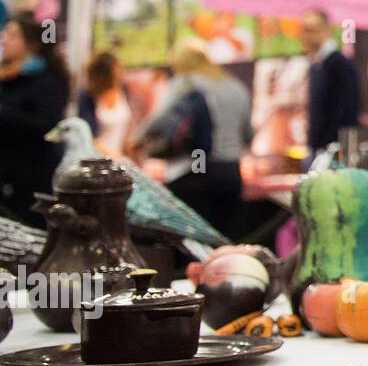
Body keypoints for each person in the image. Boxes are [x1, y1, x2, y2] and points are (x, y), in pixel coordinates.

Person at [137, 39, 251, 234]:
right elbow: (247, 133)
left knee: (195, 236)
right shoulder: (235, 86)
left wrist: (137, 138)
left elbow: (159, 119)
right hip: (231, 170)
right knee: (226, 235)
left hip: (197, 167)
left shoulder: (185, 82)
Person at [0, 11, 70, 225]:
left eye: (12, 35)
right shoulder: (6, 78)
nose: (4, 39)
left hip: (33, 180)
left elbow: (47, 125)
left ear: (30, 44)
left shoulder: (47, 80)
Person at [300, 8, 360, 158]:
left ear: (326, 31)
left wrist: (331, 150)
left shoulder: (339, 65)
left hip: (332, 155)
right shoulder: (317, 65)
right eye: (303, 30)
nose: (304, 36)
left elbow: (347, 112)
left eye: (310, 30)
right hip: (320, 151)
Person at [77, 51, 133, 157]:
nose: (122, 73)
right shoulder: (88, 97)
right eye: (118, 70)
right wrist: (114, 157)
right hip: (98, 159)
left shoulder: (123, 89)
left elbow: (127, 132)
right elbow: (89, 137)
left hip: (120, 158)